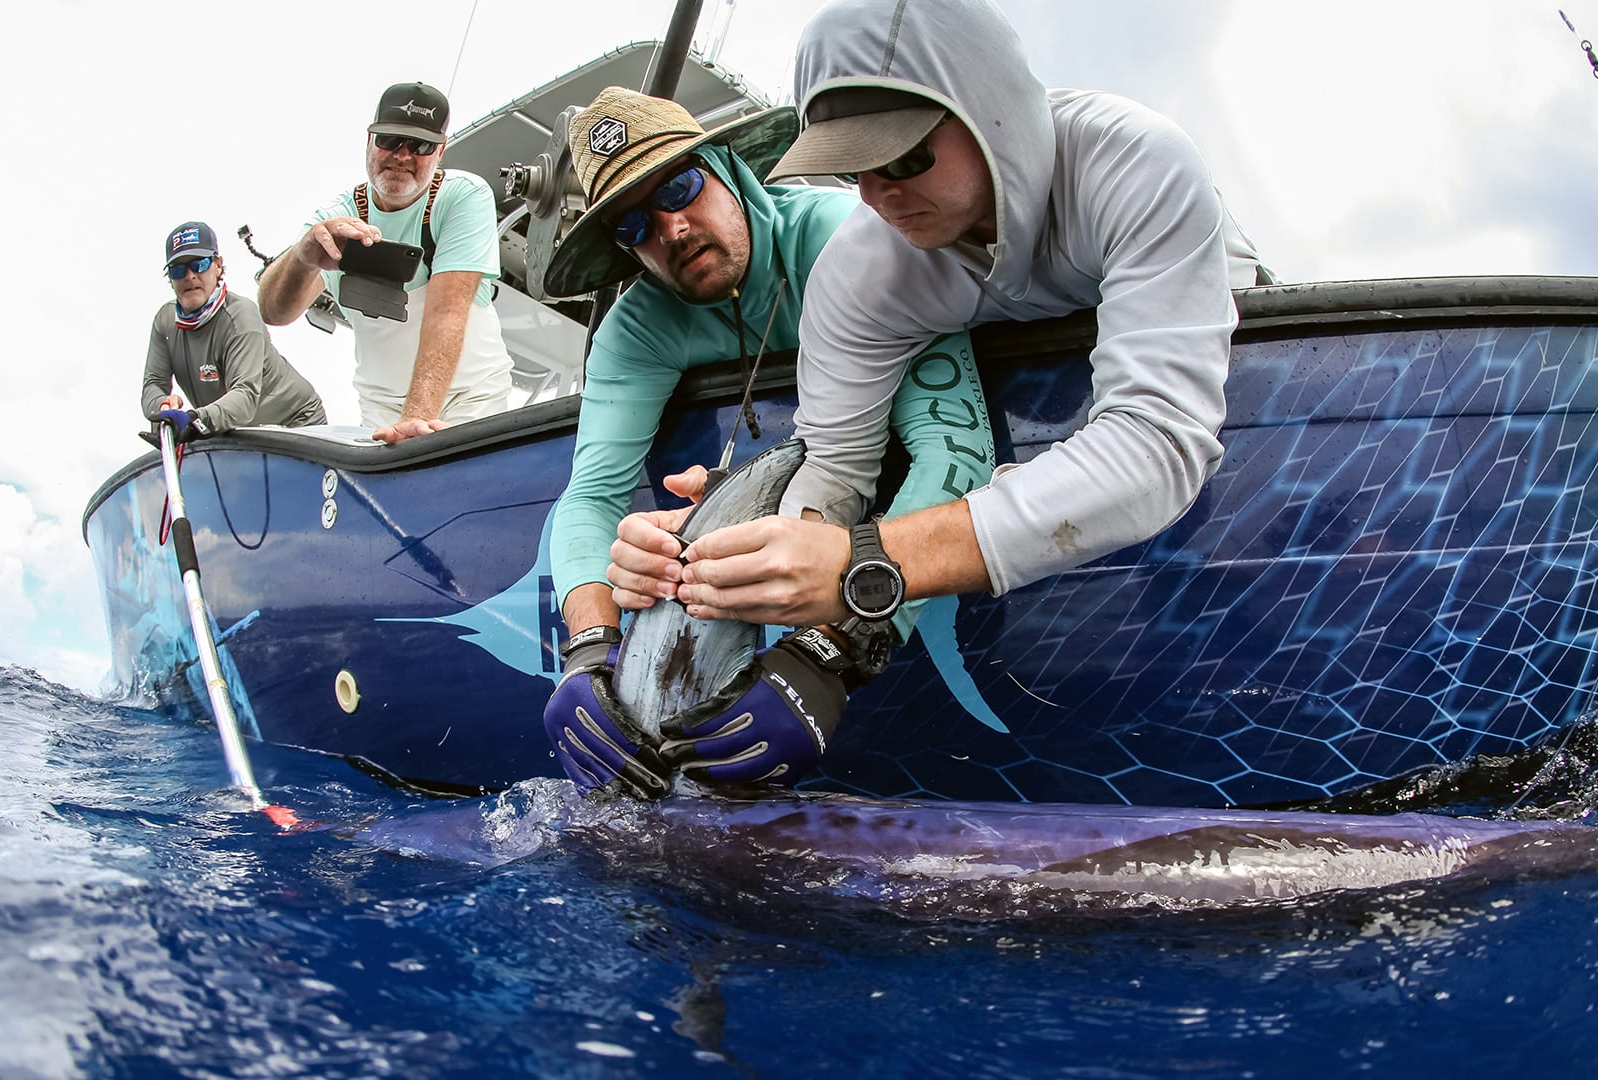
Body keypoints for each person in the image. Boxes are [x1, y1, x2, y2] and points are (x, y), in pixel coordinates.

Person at [608, 0, 1267, 634]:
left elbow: (1156, 444)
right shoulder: (860, 267)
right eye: (852, 166)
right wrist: (724, 537)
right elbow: (835, 464)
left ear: (988, 106)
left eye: (901, 155)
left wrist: (870, 562)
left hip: (1225, 399)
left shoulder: (1136, 164)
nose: (879, 194)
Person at [538, 87, 993, 797]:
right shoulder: (637, 328)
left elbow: (955, 453)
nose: (673, 228)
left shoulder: (854, 237)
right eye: (635, 227)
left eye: (681, 187)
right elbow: (590, 497)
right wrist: (588, 648)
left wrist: (834, 651)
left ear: (730, 167)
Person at [258, 82, 514, 443]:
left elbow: (447, 312)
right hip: (379, 414)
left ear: (441, 151)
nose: (402, 155)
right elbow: (274, 311)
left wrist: (416, 421)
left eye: (421, 145)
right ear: (369, 140)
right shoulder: (336, 216)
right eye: (390, 140)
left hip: (471, 405)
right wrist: (304, 258)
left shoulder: (463, 197)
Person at [143, 221, 327, 436]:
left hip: (297, 422)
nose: (189, 276)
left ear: (218, 265)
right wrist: (162, 405)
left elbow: (245, 395)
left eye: (199, 264)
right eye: (178, 269)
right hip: (232, 430)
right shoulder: (165, 322)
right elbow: (153, 383)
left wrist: (196, 420)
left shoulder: (241, 317)